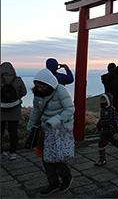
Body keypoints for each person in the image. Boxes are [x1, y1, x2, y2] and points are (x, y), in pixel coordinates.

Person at [27, 68, 75, 196]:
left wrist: (55, 120)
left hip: (60, 129)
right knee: (45, 157)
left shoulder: (61, 91)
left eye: (41, 87)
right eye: (37, 86)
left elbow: (70, 109)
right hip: (44, 129)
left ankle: (66, 176)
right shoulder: (37, 93)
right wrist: (30, 126)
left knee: (56, 157)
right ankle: (53, 182)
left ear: (49, 85)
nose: (39, 89)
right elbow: (36, 111)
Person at [1, 62, 27, 160]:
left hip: (1, 110)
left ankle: (1, 152)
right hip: (14, 109)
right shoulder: (18, 80)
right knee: (13, 131)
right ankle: (13, 153)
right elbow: (24, 92)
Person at [95, 93, 118, 166]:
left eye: (104, 100)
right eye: (101, 100)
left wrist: (102, 123)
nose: (102, 101)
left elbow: (112, 119)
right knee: (101, 145)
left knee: (117, 143)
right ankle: (102, 160)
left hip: (112, 131)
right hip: (104, 131)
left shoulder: (112, 109)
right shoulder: (102, 110)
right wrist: (99, 125)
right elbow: (102, 119)